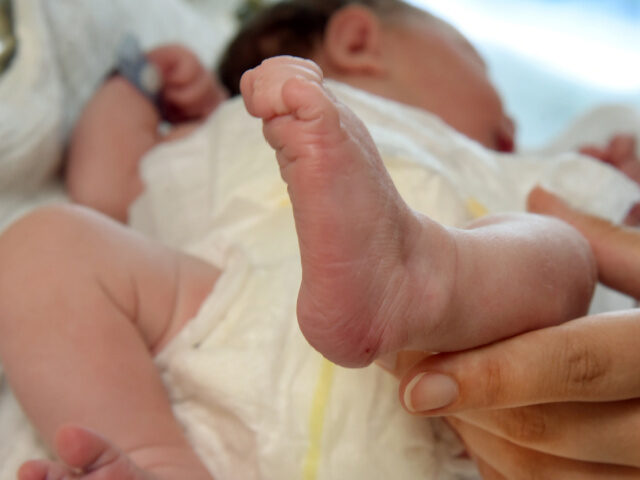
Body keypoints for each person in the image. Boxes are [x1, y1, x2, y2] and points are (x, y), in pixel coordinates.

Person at [0, 2, 637, 479]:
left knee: (562, 245)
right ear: (360, 39)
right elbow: (104, 191)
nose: (515, 123)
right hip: (220, 329)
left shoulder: (517, 170)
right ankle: (155, 459)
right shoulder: (224, 131)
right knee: (41, 248)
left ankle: (426, 274)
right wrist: (134, 87)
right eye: (479, 65)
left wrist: (610, 180)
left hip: (460, 391)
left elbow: (618, 254)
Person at [395, 187, 640, 477]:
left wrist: (617, 183)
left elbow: (572, 247)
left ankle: (443, 270)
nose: (513, 137)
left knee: (564, 250)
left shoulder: (508, 176)